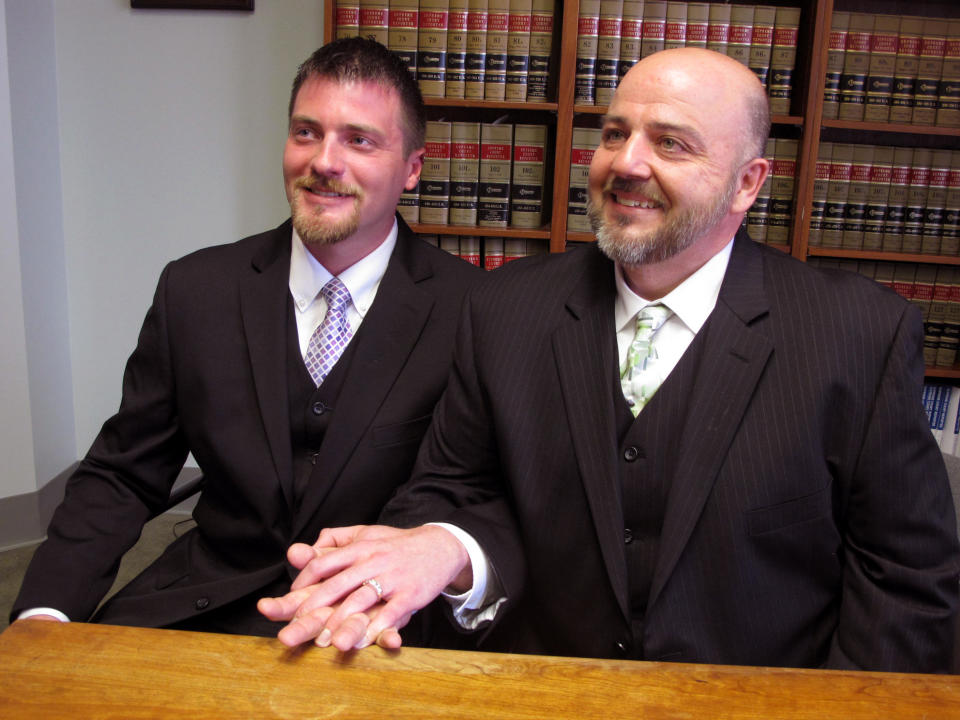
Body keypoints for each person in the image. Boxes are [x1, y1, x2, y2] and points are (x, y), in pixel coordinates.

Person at [259, 48, 960, 672]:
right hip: (540, 693)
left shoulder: (858, 333)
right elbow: (451, 486)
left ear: (747, 184)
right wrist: (444, 546)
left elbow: (905, 577)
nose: (627, 162)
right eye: (616, 133)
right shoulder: (505, 309)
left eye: (672, 144)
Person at [10, 37, 482, 637]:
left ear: (413, 167)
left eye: (359, 140)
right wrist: (44, 612)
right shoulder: (195, 290)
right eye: (306, 132)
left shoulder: (473, 311)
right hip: (203, 601)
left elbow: (482, 497)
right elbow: (123, 473)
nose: (324, 162)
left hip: (380, 625)